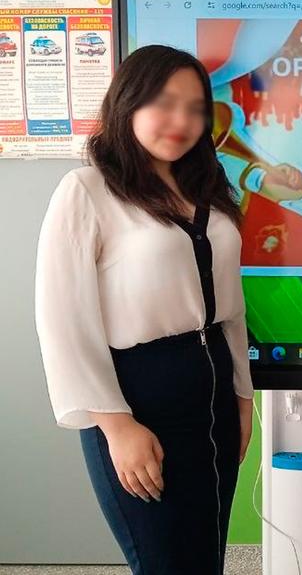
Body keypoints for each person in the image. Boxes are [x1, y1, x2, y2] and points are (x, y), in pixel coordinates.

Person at [34, 45, 255, 574]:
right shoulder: (87, 190)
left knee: (206, 559)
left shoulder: (207, 188)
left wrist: (243, 398)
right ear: (128, 103)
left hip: (214, 391)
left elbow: (232, 309)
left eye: (195, 108)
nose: (182, 121)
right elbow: (62, 320)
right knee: (164, 562)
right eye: (165, 103)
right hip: (138, 397)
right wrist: (117, 427)